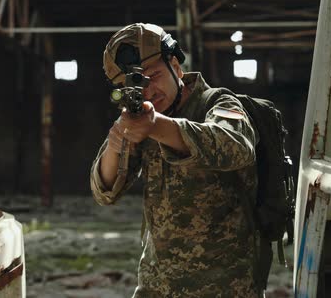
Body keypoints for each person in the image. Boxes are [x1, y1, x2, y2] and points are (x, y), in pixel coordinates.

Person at [90, 23, 260, 297]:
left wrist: (157, 126)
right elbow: (105, 191)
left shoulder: (217, 103)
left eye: (154, 75)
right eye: (134, 84)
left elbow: (236, 147)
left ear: (176, 65)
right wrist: (118, 140)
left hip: (225, 287)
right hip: (156, 287)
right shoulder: (142, 118)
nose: (148, 91)